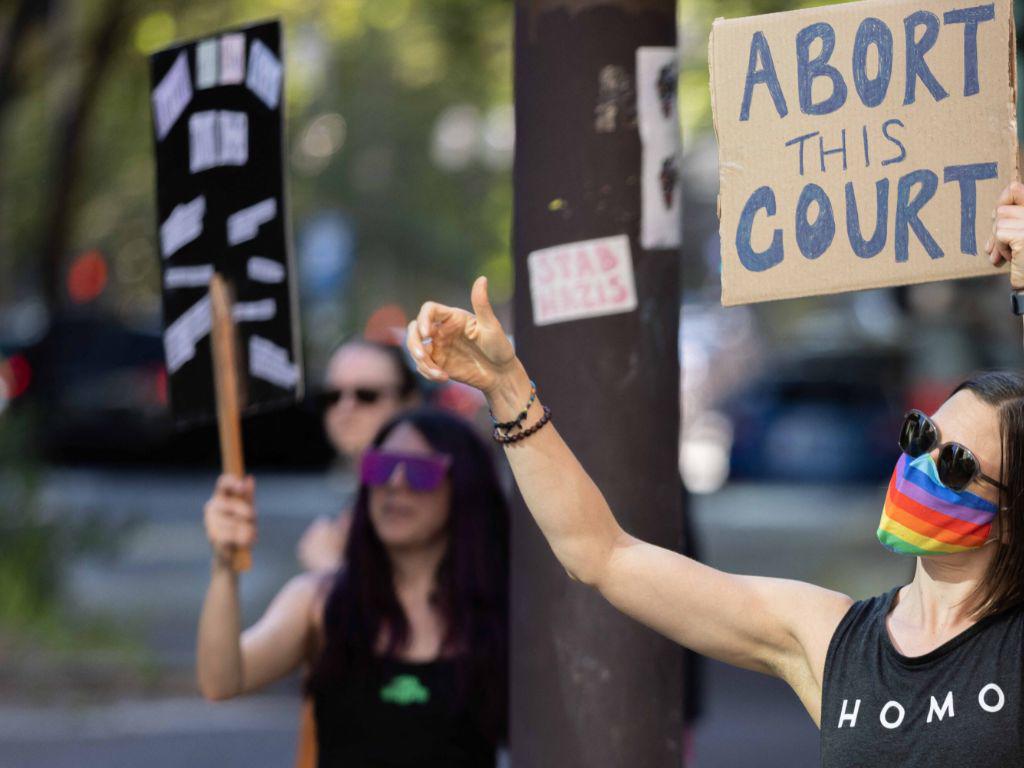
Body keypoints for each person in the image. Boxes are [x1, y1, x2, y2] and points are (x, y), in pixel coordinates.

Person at [404, 186, 1024, 766]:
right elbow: (600, 554)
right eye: (920, 435)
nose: (921, 464)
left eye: (955, 463)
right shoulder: (830, 638)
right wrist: (506, 387)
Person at [197, 408, 509, 767]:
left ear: (465, 486)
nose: (395, 484)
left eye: (421, 472)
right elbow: (221, 680)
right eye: (380, 467)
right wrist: (224, 565)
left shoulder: (502, 609)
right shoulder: (318, 600)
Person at [297, 337, 422, 572]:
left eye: (366, 395)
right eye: (332, 396)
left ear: (409, 402)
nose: (346, 408)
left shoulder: (427, 495)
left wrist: (328, 571)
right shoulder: (359, 501)